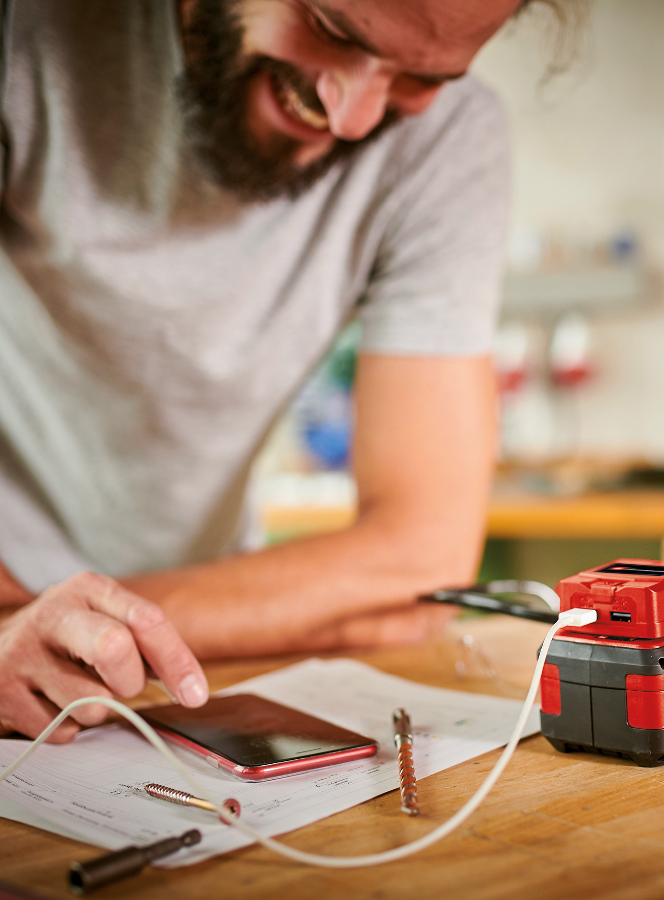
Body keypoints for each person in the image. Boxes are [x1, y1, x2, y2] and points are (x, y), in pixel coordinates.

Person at [0, 0, 559, 741]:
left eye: (422, 77)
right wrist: (17, 622)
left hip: (187, 653)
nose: (354, 118)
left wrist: (82, 630)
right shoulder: (27, 35)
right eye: (331, 29)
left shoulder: (451, 140)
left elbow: (422, 555)